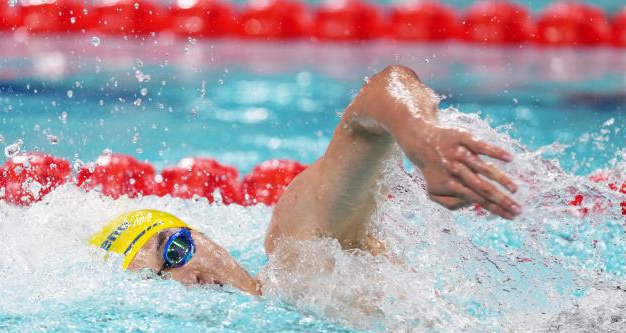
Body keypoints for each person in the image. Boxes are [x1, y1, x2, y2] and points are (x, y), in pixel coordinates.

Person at [90, 65, 521, 295]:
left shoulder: (299, 257)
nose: (186, 278)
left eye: (175, 249)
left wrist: (420, 136)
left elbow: (381, 93)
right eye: (156, 282)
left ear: (204, 237)